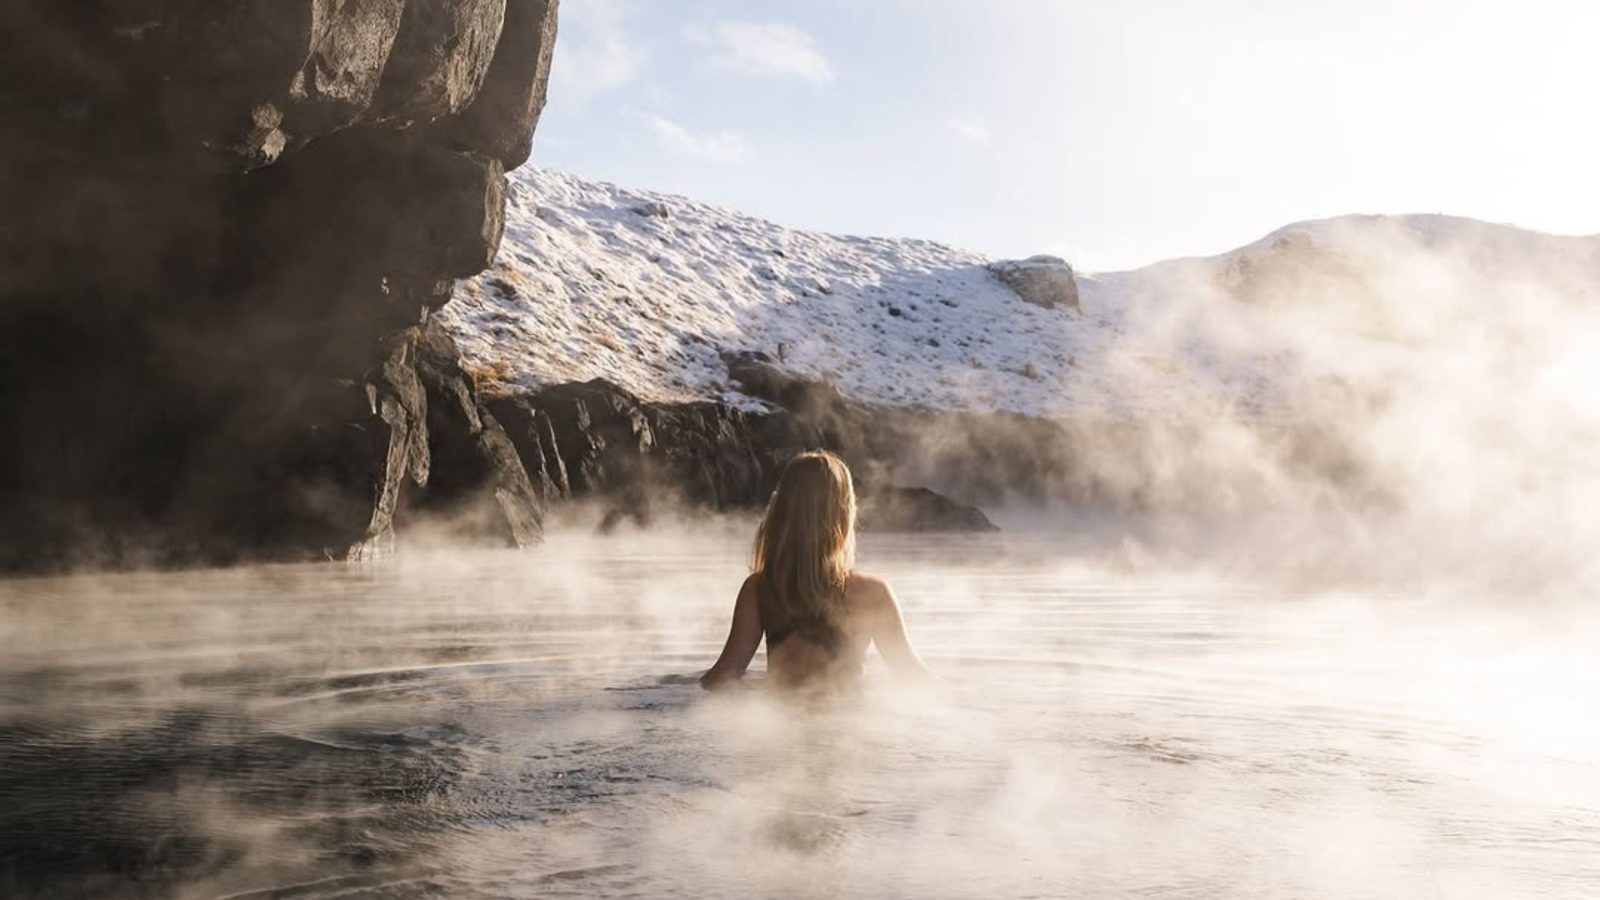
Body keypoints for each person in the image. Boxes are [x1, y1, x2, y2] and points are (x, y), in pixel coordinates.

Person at [699, 450, 933, 692]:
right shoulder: (872, 593)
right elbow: (911, 674)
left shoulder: (760, 590)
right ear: (844, 513)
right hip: (848, 720)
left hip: (781, 721)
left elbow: (722, 679)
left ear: (782, 511)